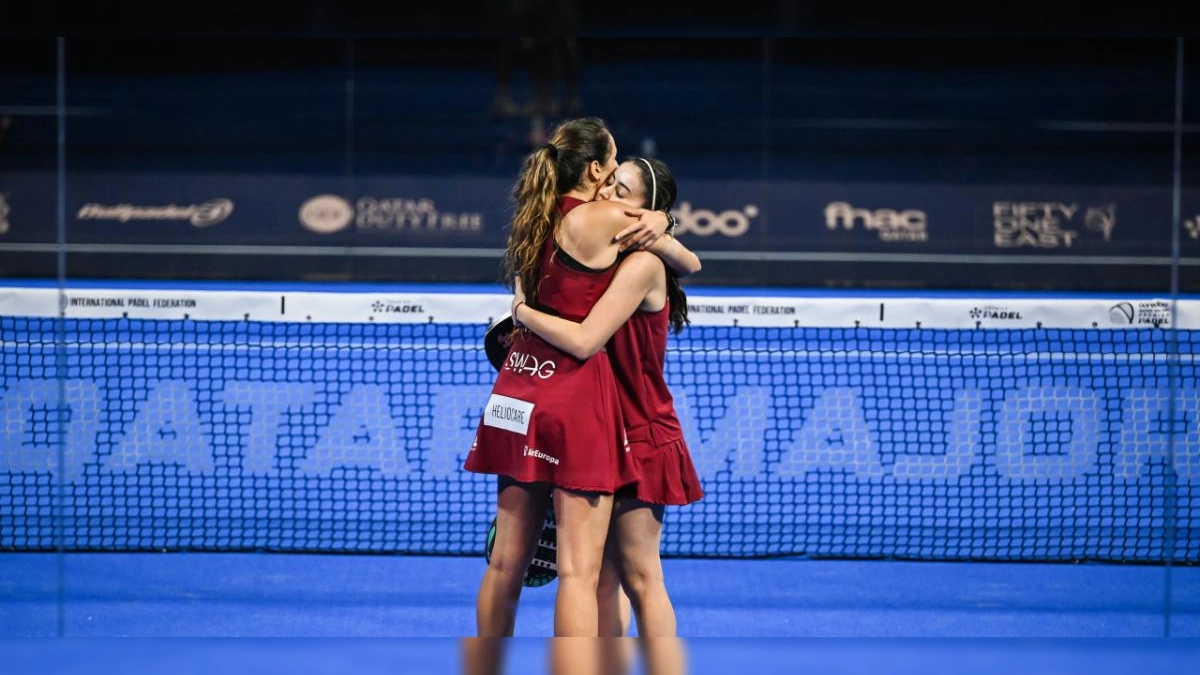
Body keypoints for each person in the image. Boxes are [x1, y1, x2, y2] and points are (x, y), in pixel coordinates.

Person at [462, 117, 681, 675]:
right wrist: (660, 216)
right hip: (571, 400)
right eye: (611, 165)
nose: (613, 181)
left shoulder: (532, 219)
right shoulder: (611, 219)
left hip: (514, 391)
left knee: (504, 562)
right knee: (580, 572)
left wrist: (523, 313)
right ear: (594, 169)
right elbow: (676, 248)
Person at [511, 157, 702, 675]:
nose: (607, 195)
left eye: (623, 191)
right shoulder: (603, 254)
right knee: (602, 578)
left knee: (641, 577)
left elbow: (585, 340)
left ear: (646, 212)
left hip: (640, 434)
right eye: (608, 184)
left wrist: (523, 313)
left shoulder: (644, 265)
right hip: (597, 430)